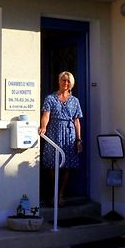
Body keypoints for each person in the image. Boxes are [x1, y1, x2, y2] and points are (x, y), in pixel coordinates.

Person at [38, 71, 83, 206]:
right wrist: (43, 127)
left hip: (69, 135)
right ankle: (53, 194)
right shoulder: (50, 98)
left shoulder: (75, 101)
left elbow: (76, 121)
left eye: (68, 81)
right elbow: (46, 114)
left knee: (66, 166)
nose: (66, 83)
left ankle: (61, 195)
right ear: (59, 81)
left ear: (72, 84)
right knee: (52, 165)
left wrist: (79, 139)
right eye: (63, 80)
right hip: (54, 133)